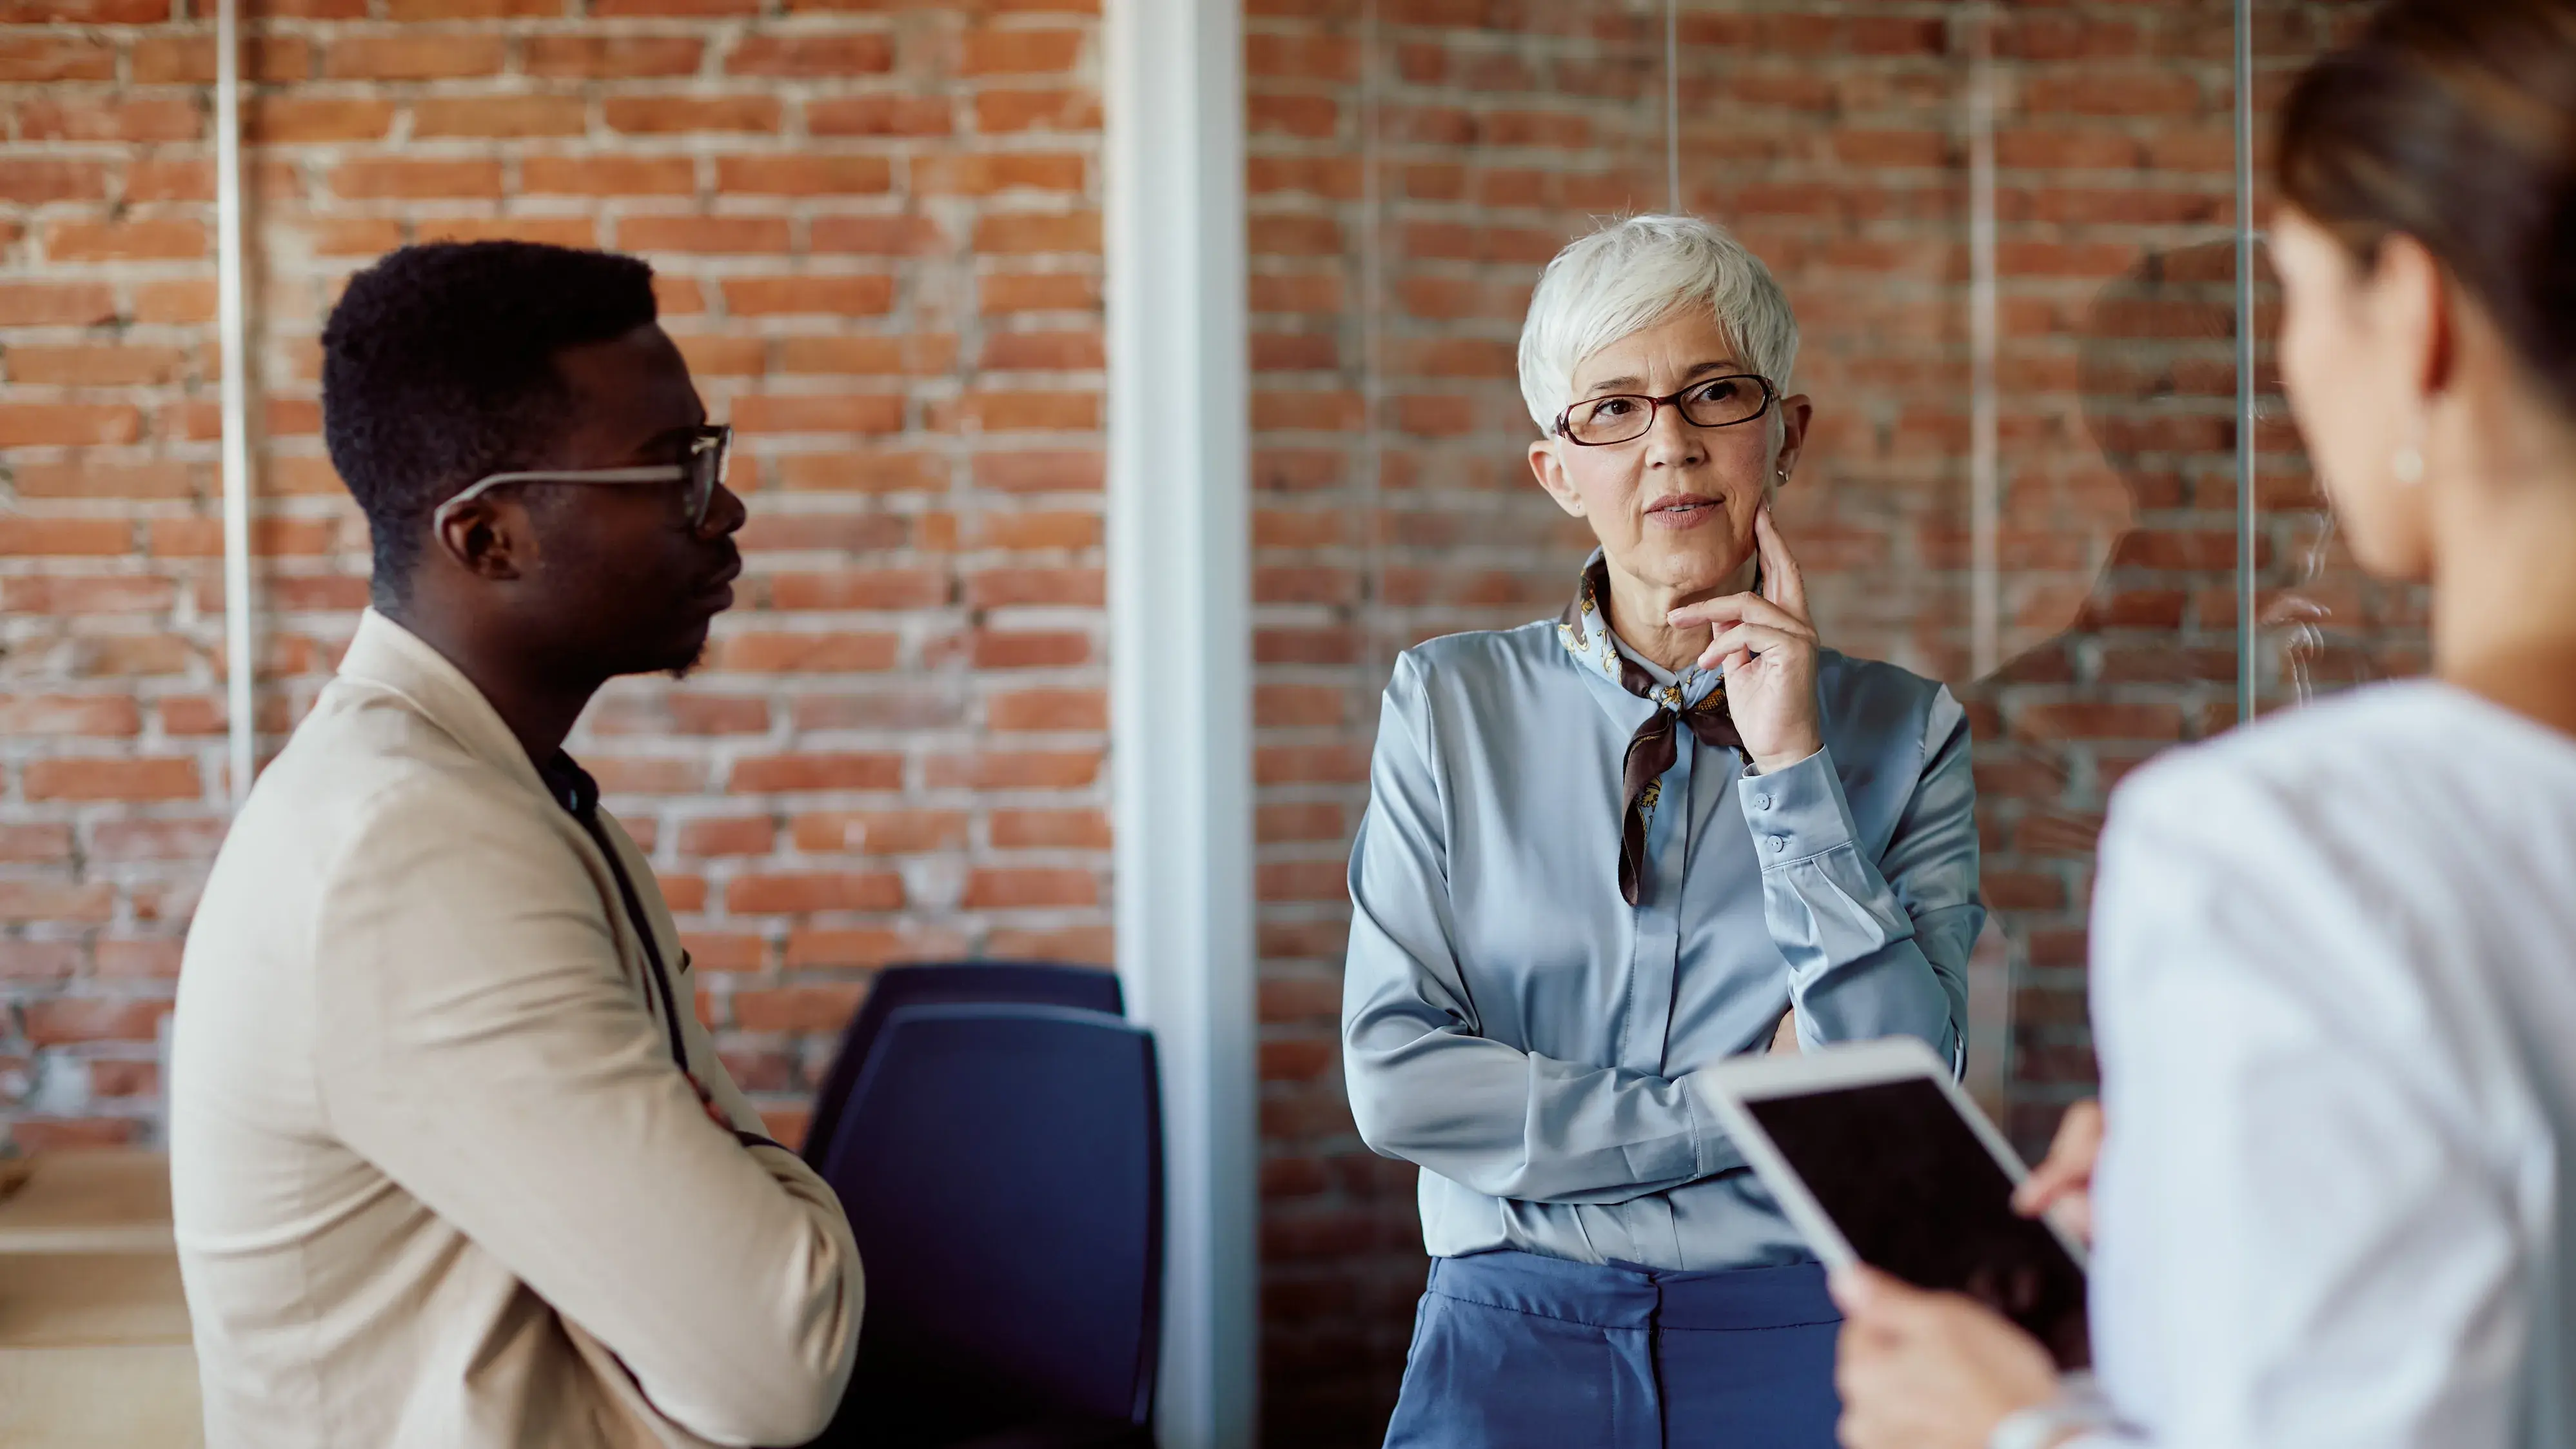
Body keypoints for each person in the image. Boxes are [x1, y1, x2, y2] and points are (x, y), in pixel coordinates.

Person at [1831, 2, 2576, 1446]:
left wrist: (2009, 1430)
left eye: (2292, 297)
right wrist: (2199, 1241)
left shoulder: (2274, 841)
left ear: (2412, 315)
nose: (2284, 388)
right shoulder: (2069, 725)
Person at [169, 241, 863, 1449]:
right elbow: (778, 1353)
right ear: (487, 538)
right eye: (672, 470)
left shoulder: (493, 791)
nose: (728, 507)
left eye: (713, 454)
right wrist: (779, 1189)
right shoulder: (412, 850)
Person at [1342, 213, 1984, 1448]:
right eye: (1613, 411)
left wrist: (1792, 763)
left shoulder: (1905, 733)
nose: (1670, 446)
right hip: (1505, 1335)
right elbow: (1397, 1084)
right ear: (1556, 471)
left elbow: (1896, 1103)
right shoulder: (1446, 705)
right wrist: (1739, 1107)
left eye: (1714, 392)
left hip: (1808, 1342)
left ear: (1784, 434)